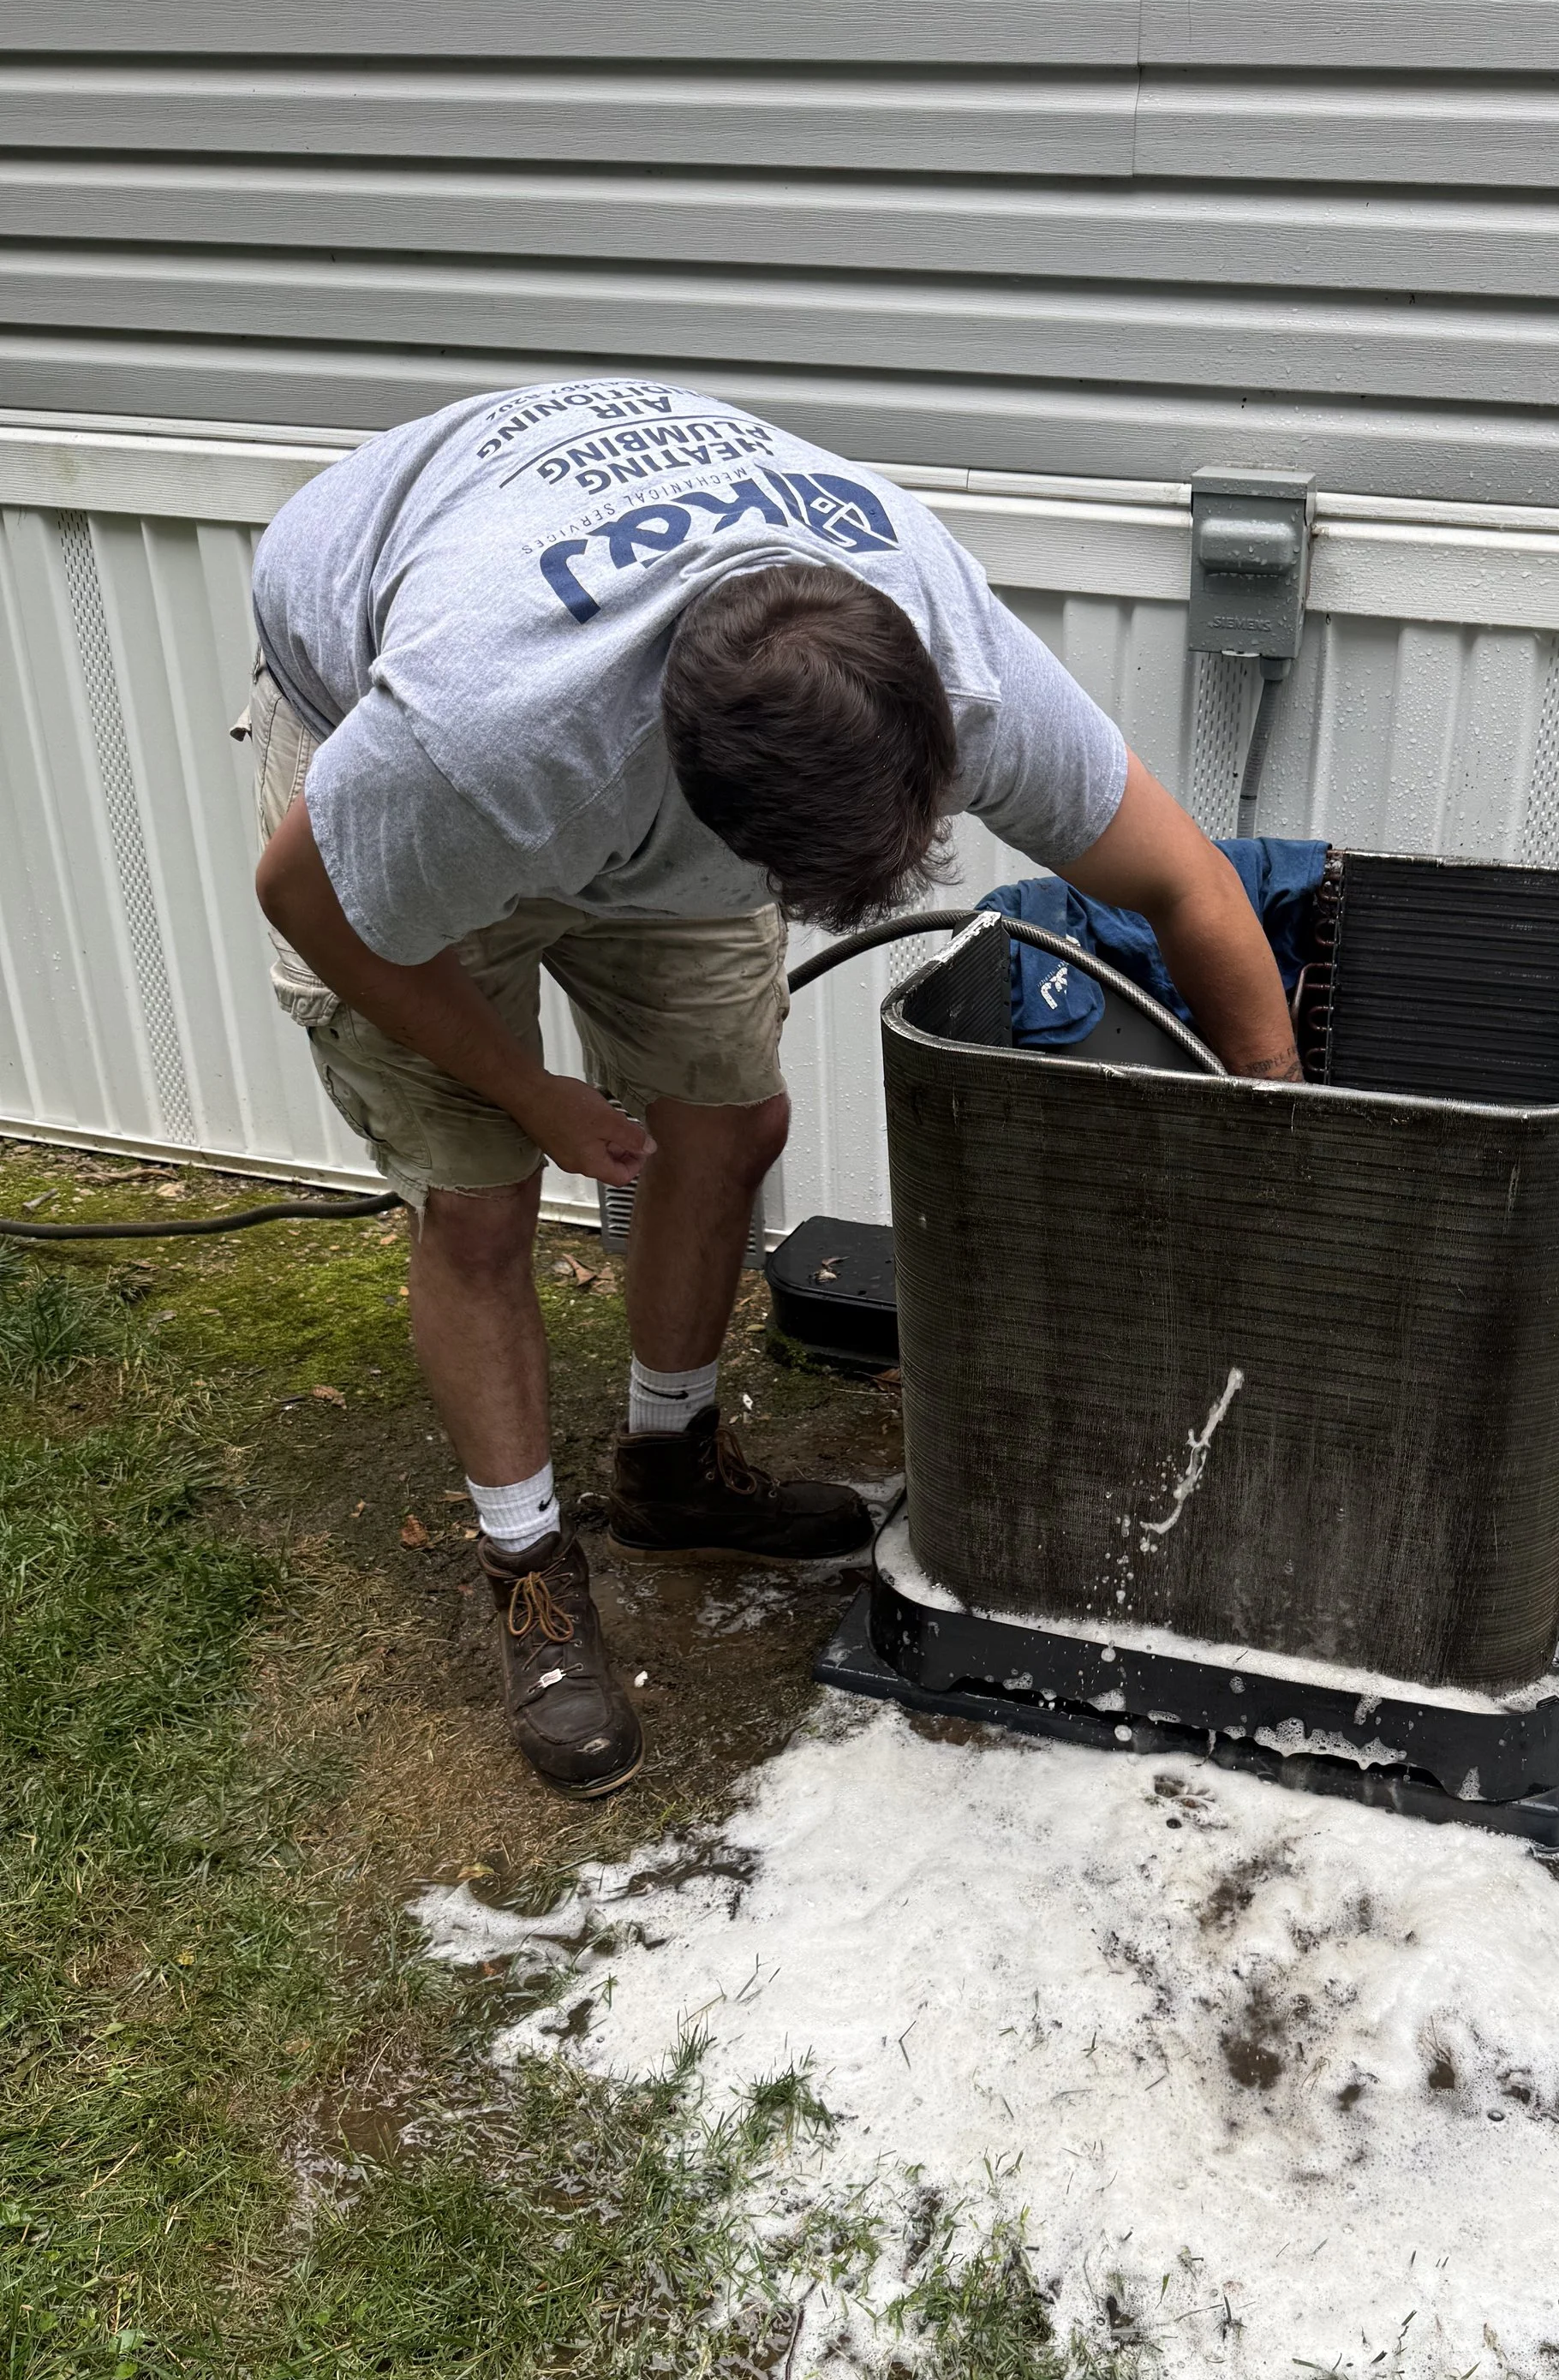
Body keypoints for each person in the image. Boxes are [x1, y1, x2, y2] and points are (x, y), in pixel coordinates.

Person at [248, 375, 1301, 1799]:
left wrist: (1283, 1139)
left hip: (633, 718)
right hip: (390, 708)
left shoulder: (948, 652)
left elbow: (1188, 886)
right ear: (700, 809)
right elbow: (310, 905)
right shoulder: (478, 741)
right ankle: (529, 1568)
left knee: (735, 1123)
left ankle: (670, 1472)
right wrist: (535, 1092)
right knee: (482, 1201)